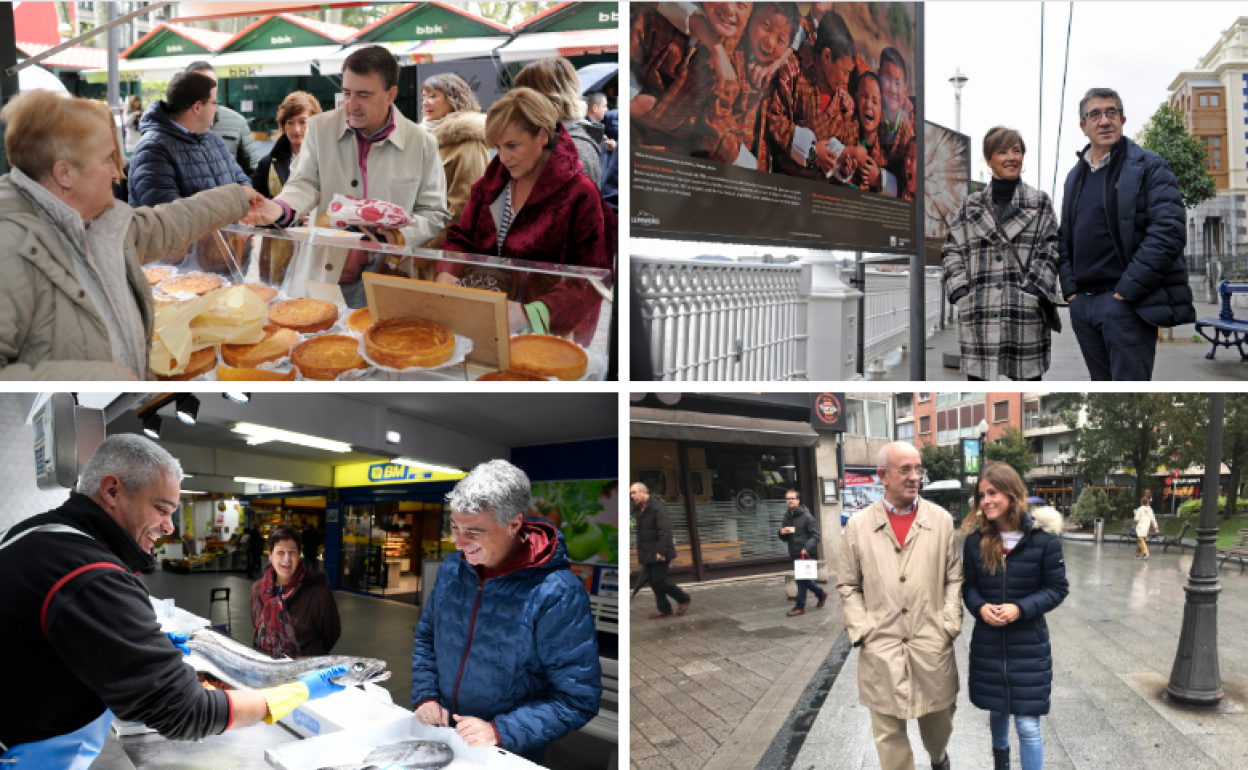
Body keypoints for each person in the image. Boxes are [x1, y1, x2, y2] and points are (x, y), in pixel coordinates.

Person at [0, 435, 347, 768]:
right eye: (161, 509)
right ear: (111, 491)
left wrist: (132, 646)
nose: (169, 528)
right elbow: (186, 712)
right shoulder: (92, 574)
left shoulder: (34, 533)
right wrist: (294, 693)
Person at [0, 90, 278, 380]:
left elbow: (163, 224)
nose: (116, 173)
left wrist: (235, 198)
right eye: (107, 159)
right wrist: (99, 380)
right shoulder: (10, 246)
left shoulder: (94, 222)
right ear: (65, 174)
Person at [411, 460, 601, 764]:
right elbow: (426, 637)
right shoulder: (452, 569)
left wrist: (500, 731)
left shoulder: (557, 592)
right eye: (455, 527)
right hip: (442, 735)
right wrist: (426, 694)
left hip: (505, 751)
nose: (458, 543)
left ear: (513, 525)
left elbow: (577, 699)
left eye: (473, 531)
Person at [244, 45, 450, 308]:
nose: (351, 105)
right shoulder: (320, 127)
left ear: (391, 95)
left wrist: (396, 238)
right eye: (347, 92)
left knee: (379, 345)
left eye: (363, 95)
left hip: (387, 272)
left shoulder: (422, 143)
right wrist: (280, 208)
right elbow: (304, 182)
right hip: (324, 271)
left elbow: (434, 212)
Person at [434, 88, 616, 346]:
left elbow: (594, 279)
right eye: (498, 147)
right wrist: (446, 272)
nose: (503, 157)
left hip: (550, 338)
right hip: (481, 323)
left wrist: (529, 313)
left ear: (542, 135)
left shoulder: (580, 194)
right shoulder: (488, 184)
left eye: (512, 145)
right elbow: (462, 237)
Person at [836, 442, 961, 770]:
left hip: (931, 640)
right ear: (882, 476)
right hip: (882, 644)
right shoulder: (858, 526)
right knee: (888, 733)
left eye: (917, 469)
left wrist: (949, 622)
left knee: (939, 722)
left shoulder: (941, 522)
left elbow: (953, 579)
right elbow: (848, 584)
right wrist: (861, 628)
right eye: (904, 469)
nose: (914, 477)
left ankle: (939, 757)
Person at [1057, 87, 1194, 381]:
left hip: (1125, 306)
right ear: (1083, 127)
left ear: (1122, 119)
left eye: (1111, 113)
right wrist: (1072, 293)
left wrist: (1124, 294)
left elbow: (1168, 232)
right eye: (1095, 115)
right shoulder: (1075, 176)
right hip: (1083, 306)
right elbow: (1065, 237)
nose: (1104, 121)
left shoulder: (1149, 167)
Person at [962, 462, 1069, 770]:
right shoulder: (975, 542)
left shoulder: (1043, 540)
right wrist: (980, 607)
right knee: (997, 711)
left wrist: (1020, 608)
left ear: (1011, 493)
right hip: (988, 644)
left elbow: (1057, 588)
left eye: (992, 493)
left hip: (1029, 647)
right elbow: (968, 587)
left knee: (1027, 725)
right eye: (981, 495)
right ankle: (1001, 763)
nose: (986, 501)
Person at [943, 126, 1061, 381]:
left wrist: (1034, 290)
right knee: (979, 382)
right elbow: (952, 248)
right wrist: (961, 291)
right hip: (980, 310)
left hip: (1023, 310)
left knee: (1027, 380)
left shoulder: (1039, 202)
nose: (1011, 157)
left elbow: (1050, 247)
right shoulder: (970, 205)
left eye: (1016, 151)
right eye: (1003, 151)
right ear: (988, 160)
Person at [128, 71, 253, 209]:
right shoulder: (152, 149)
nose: (217, 109)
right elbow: (170, 217)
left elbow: (242, 180)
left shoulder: (214, 139)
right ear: (197, 107)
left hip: (230, 229)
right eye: (214, 103)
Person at [765, 8, 860, 181]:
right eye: (844, 72)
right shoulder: (795, 72)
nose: (846, 79)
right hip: (788, 186)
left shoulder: (842, 97)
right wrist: (811, 152)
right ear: (826, 56)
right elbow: (774, 118)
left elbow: (849, 140)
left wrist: (845, 165)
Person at [251, 91, 322, 285]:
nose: (296, 129)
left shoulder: (326, 162)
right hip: (277, 249)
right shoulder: (268, 163)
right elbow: (256, 204)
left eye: (303, 121)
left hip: (315, 248)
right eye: (290, 122)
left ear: (314, 123)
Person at [421, 73, 489, 251]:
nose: (425, 102)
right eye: (424, 96)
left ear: (454, 100)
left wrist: (428, 248)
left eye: (433, 96)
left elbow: (464, 207)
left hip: (441, 252)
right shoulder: (421, 138)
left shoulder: (470, 141)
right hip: (414, 245)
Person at [250, 526, 340, 658]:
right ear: (270, 555)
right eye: (280, 552)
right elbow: (258, 626)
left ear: (298, 555)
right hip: (270, 670)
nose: (287, 558)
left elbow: (331, 635)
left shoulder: (319, 593)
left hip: (307, 672)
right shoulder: (257, 590)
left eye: (292, 552)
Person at [515, 57, 604, 186]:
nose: (516, 104)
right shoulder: (563, 139)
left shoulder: (569, 149)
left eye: (522, 97)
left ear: (544, 98)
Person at [186, 61, 261, 177]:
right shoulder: (175, 122)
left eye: (211, 85)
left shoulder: (237, 122)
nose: (206, 91)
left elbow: (254, 172)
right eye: (199, 85)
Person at [631, 482, 692, 619]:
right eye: (631, 493)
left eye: (634, 492)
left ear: (643, 492)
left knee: (659, 579)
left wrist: (661, 551)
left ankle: (683, 598)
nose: (632, 496)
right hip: (647, 552)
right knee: (653, 582)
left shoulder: (657, 507)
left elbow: (665, 531)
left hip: (660, 552)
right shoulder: (638, 509)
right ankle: (664, 609)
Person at [779, 488, 826, 617]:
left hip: (805, 553)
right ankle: (820, 593)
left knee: (801, 580)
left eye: (793, 498)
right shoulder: (787, 516)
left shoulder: (807, 517)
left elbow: (815, 536)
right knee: (805, 580)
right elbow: (785, 538)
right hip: (795, 553)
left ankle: (800, 606)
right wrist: (781, 533)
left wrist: (806, 548)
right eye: (788, 499)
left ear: (798, 500)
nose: (790, 501)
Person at [1133, 493, 1159, 560]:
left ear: (1142, 502)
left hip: (1140, 528)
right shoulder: (1150, 510)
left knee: (1141, 540)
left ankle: (1146, 552)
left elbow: (1136, 519)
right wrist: (1156, 528)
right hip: (1146, 528)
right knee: (1141, 541)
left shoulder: (1140, 509)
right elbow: (1153, 519)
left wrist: (1135, 514)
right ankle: (1137, 554)